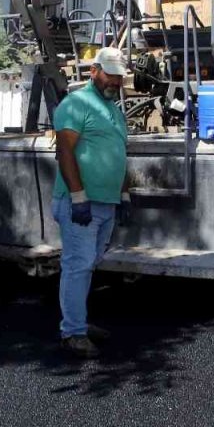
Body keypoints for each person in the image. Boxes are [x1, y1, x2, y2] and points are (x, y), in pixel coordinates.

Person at [52, 46, 132, 359]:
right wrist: (78, 196)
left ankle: (79, 323)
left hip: (105, 203)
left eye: (119, 77)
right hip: (80, 204)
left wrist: (123, 194)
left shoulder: (114, 110)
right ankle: (72, 332)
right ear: (94, 71)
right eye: (110, 74)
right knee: (77, 266)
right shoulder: (76, 103)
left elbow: (119, 155)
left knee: (88, 265)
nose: (115, 81)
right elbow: (65, 152)